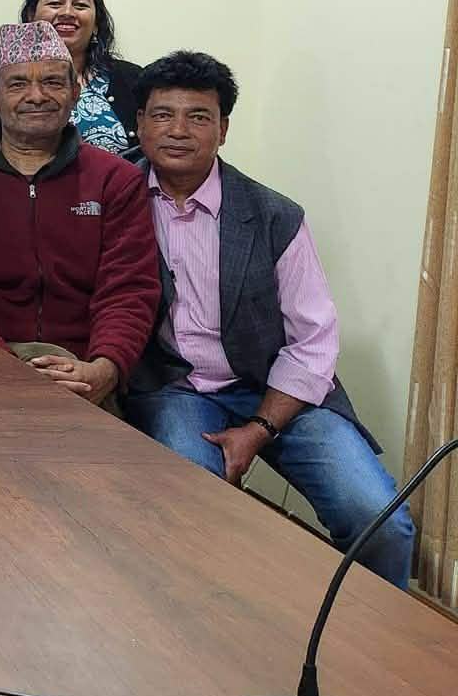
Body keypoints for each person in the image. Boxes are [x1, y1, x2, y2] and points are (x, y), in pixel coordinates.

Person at [125, 51, 414, 587]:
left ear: (223, 130)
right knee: (196, 507)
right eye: (163, 115)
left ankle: (371, 634)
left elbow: (313, 341)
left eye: (199, 117)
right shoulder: (115, 199)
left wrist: (259, 429)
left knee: (379, 522)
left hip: (279, 390)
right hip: (175, 387)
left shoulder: (273, 215)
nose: (179, 131)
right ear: (140, 123)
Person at [0, 22, 159, 408]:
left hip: (81, 370)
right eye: (17, 84)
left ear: (75, 92)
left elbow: (128, 289)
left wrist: (106, 368)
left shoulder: (116, 180)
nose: (36, 96)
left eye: (52, 82)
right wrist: (4, 369)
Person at [0, 0, 140, 157]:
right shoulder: (6, 83)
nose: (67, 13)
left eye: (80, 5)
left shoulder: (132, 79)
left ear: (96, 23)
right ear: (31, 15)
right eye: (55, 4)